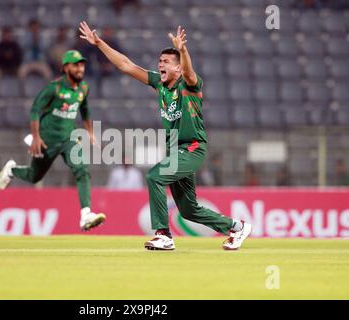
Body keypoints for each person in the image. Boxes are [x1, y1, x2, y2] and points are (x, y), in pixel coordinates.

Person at [79, 21, 251, 251]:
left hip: (192, 148)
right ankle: (237, 227)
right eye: (159, 61)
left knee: (154, 176)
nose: (160, 65)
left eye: (166, 62)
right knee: (189, 210)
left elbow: (189, 72)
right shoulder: (160, 86)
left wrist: (183, 51)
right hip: (176, 151)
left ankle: (163, 235)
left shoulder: (189, 84)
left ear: (178, 68)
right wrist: (99, 43)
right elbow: (126, 65)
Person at [0, 50, 106, 232]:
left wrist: (90, 132)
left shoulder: (83, 88)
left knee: (82, 170)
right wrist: (36, 137)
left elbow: (84, 109)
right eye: (76, 64)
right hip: (46, 140)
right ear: (65, 67)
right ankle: (11, 170)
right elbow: (34, 111)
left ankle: (86, 214)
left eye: (82, 64)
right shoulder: (53, 88)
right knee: (34, 176)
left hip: (69, 138)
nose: (80, 68)